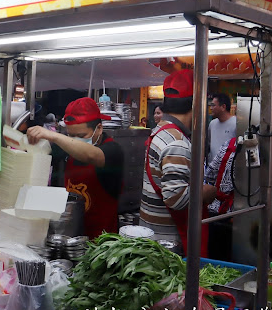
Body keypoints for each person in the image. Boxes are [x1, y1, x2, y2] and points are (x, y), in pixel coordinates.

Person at [139, 69, 216, 255]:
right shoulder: (177, 142)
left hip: (153, 238)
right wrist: (207, 191)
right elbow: (177, 199)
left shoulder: (160, 130)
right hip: (167, 248)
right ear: (197, 103)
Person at [27, 97, 124, 239]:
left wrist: (55, 136)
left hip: (101, 241)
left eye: (81, 136)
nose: (73, 140)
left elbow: (91, 155)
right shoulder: (66, 149)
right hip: (70, 236)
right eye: (70, 135)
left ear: (99, 128)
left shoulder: (113, 150)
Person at [204, 137, 238, 261]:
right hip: (238, 215)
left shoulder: (229, 143)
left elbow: (209, 174)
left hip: (215, 210)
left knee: (214, 258)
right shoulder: (263, 151)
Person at [207, 93, 236, 164]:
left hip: (227, 169)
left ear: (223, 107)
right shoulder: (212, 124)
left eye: (213, 105)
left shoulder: (235, 123)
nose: (211, 108)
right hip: (212, 168)